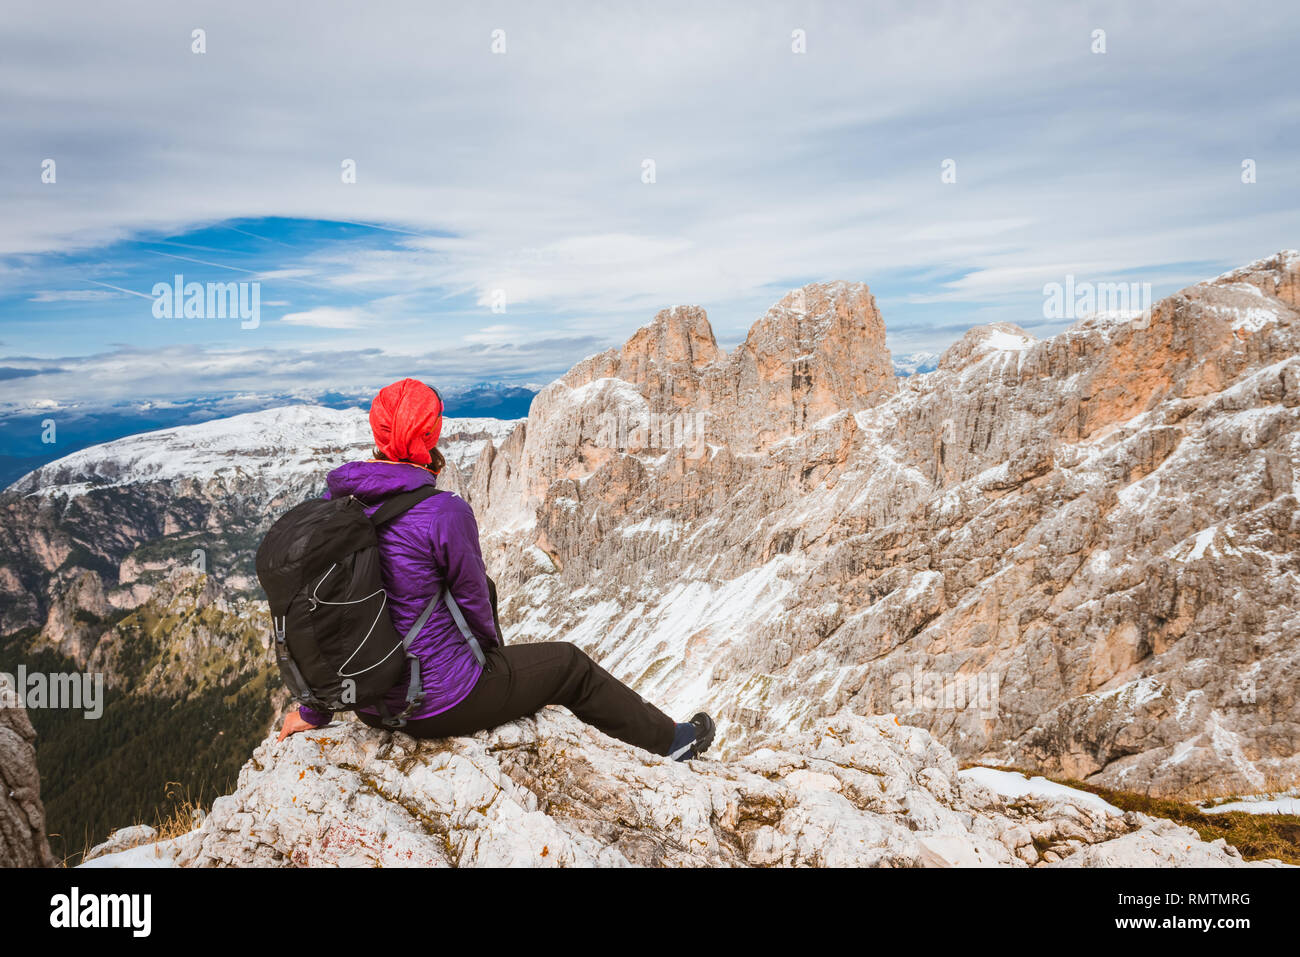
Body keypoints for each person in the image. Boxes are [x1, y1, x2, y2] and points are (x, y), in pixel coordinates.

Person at [277, 377, 715, 761]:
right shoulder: (442, 511)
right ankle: (670, 742)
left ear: (378, 431)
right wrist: (491, 662)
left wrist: (316, 710)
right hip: (437, 705)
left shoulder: (343, 506)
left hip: (371, 706)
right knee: (569, 665)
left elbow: (330, 618)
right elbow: (471, 596)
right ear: (430, 435)